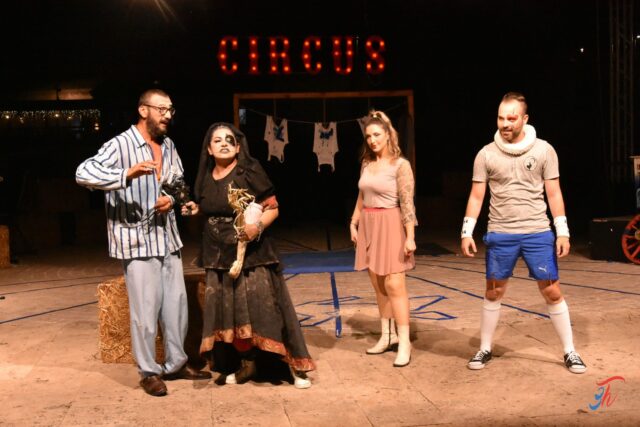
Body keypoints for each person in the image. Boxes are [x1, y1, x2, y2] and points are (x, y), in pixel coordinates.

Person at [76, 89, 211, 397]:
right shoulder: (120, 144)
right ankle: (149, 372)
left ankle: (176, 364)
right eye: (162, 109)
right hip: (137, 240)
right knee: (145, 312)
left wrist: (173, 200)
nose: (167, 115)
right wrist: (126, 174)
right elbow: (83, 172)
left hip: (168, 238)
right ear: (143, 110)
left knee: (176, 307)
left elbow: (176, 183)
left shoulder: (168, 145)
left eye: (170, 110)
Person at [461, 92, 587, 374]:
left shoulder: (544, 150)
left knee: (552, 291)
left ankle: (570, 351)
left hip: (537, 232)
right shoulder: (486, 154)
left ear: (525, 119)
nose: (505, 123)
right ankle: (485, 348)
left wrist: (563, 231)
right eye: (501, 118)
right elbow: (476, 196)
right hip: (500, 233)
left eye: (511, 118)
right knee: (494, 291)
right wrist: (466, 231)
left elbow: (554, 193)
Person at [182, 123, 315, 388]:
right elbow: (212, 207)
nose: (223, 143)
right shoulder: (205, 176)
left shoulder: (249, 171)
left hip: (252, 254)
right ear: (209, 149)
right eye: (217, 140)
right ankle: (244, 363)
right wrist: (195, 209)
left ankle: (290, 367)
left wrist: (257, 227)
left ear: (238, 147)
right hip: (217, 255)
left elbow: (273, 208)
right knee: (229, 315)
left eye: (229, 140)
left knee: (264, 310)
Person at [350, 110, 417, 368]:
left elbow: (407, 203)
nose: (372, 140)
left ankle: (404, 342)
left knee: (395, 285)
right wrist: (354, 222)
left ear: (388, 135)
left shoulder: (401, 165)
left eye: (377, 134)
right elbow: (362, 195)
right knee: (378, 285)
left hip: (390, 223)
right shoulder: (367, 164)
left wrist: (410, 237)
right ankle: (387, 336)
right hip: (369, 223)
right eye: (368, 136)